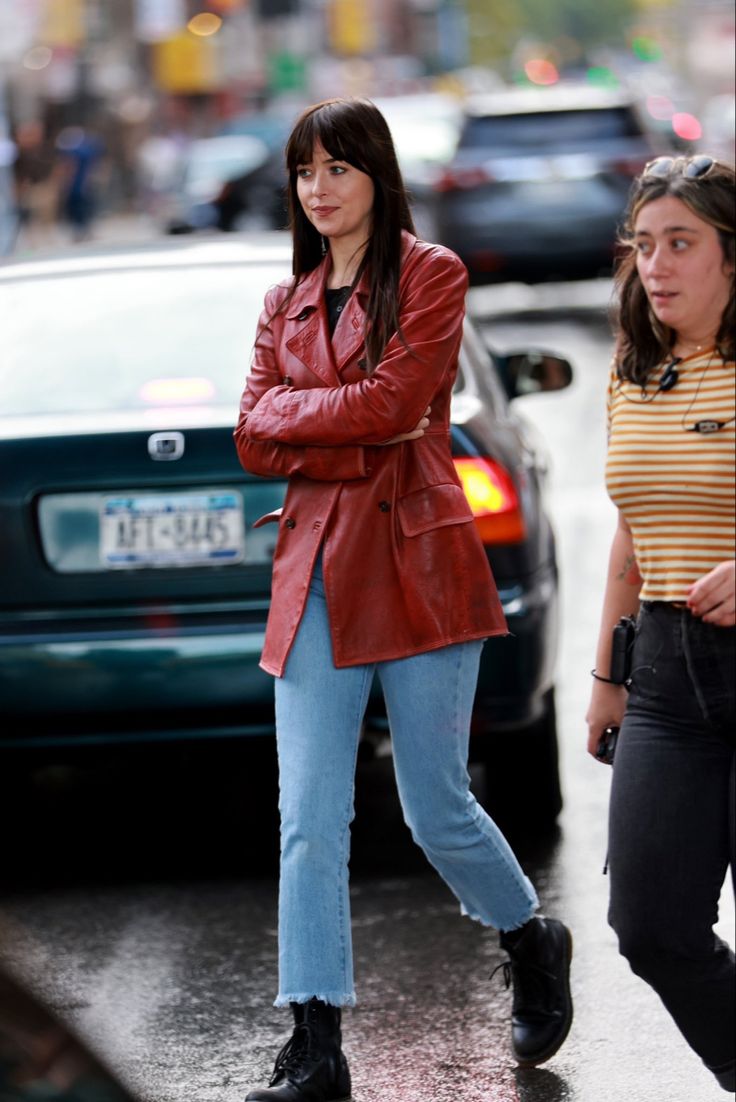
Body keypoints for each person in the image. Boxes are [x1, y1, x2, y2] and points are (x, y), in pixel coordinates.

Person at [234, 97, 573, 1102]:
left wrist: (307, 419)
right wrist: (334, 422)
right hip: (312, 570)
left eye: (338, 168)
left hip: (416, 563)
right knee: (307, 815)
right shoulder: (282, 301)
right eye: (305, 172)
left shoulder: (432, 275)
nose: (319, 189)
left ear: (378, 174)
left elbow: (395, 405)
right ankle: (315, 1041)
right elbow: (253, 436)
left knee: (434, 806)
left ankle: (526, 933)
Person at [585, 155, 735, 1094]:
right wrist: (607, 677)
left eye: (681, 243)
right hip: (667, 682)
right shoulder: (636, 372)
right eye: (645, 245)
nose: (658, 265)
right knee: (649, 925)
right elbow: (631, 534)